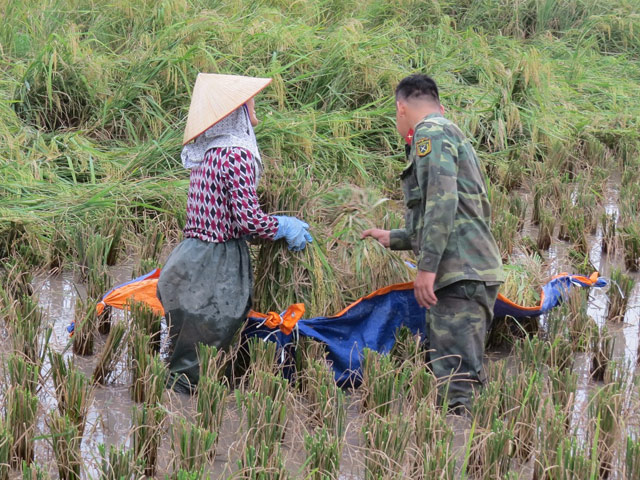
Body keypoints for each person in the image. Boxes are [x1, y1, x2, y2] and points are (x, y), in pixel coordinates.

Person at [157, 73, 313, 393]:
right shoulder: (236, 154)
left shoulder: (208, 154)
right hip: (215, 264)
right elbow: (247, 222)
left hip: (188, 258)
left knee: (185, 357)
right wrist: (282, 226)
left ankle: (176, 410)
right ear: (236, 112)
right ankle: (192, 422)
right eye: (249, 101)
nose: (253, 104)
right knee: (207, 345)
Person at [362, 74, 503, 412]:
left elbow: (442, 203)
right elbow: (444, 215)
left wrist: (426, 268)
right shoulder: (447, 132)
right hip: (469, 270)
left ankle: (465, 455)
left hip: (459, 274)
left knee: (457, 387)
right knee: (459, 374)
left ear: (401, 108)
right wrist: (394, 238)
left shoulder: (429, 134)